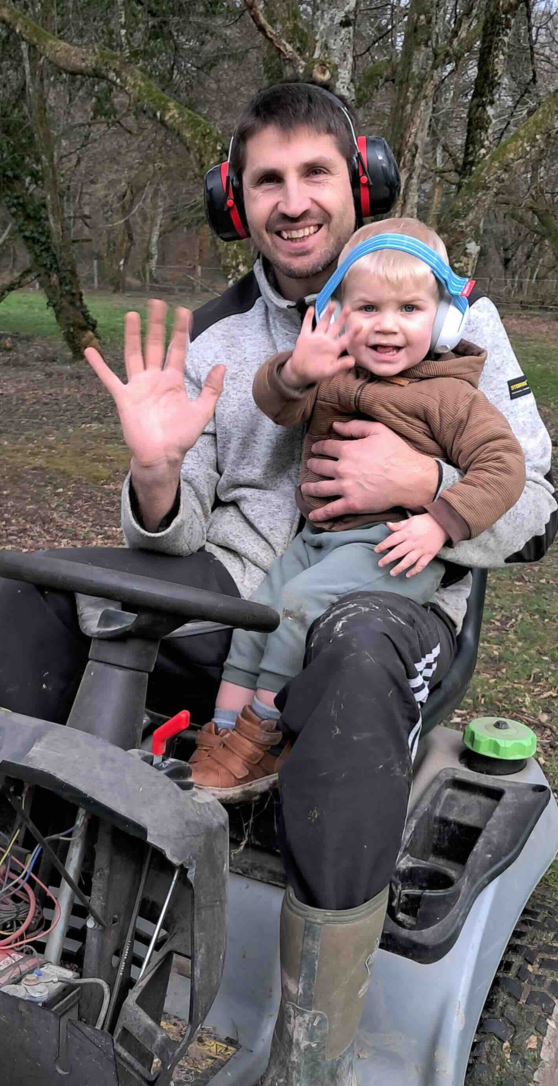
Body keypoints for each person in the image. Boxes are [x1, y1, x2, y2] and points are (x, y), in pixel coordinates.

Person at [0, 81, 558, 1086]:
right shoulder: (220, 339)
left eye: (316, 175)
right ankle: (5, 908)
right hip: (235, 597)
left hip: (390, 599)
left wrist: (420, 487)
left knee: (349, 650)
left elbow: (537, 506)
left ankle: (313, 1071)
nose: (294, 202)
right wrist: (153, 470)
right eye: (268, 180)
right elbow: (174, 526)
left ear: (361, 182)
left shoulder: (452, 322)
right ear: (234, 200)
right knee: (36, 585)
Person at [190, 218, 526, 800]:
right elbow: (275, 404)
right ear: (336, 313)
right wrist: (296, 371)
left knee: (297, 605)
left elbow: (505, 467)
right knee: (260, 612)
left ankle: (264, 737)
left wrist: (440, 522)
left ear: (444, 319)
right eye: (367, 308)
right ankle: (222, 731)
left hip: (393, 548)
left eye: (410, 309)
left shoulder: (452, 396)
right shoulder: (337, 374)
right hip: (318, 540)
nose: (387, 325)